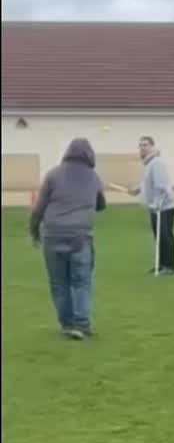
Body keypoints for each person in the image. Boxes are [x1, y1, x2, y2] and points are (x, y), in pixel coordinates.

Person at [29, 138, 106, 339]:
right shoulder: (94, 177)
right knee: (81, 282)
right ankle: (82, 325)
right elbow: (101, 205)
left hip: (53, 234)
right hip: (81, 236)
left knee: (58, 283)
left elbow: (38, 209)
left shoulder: (53, 175)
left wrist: (34, 231)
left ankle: (66, 324)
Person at [129, 136, 174, 275]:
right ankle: (161, 265)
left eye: (145, 145)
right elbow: (147, 183)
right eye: (140, 145)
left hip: (164, 207)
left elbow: (162, 186)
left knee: (165, 236)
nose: (142, 148)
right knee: (159, 237)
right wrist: (137, 190)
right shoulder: (148, 164)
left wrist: (157, 204)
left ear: (152, 146)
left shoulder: (157, 163)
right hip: (155, 207)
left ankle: (170, 267)